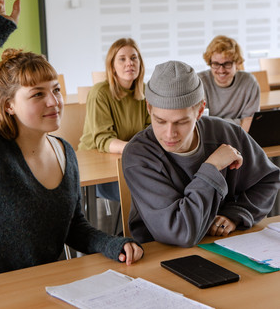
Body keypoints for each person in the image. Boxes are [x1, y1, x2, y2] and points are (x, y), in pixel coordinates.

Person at [0, 0, 143, 284]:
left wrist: (111, 243)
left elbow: (73, 227)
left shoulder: (65, 151)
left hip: (40, 284)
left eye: (55, 90)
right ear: (9, 105)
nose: (54, 102)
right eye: (37, 94)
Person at [122, 60, 280, 247]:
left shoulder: (227, 133)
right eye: (160, 121)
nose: (169, 133)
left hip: (224, 244)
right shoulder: (138, 155)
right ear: (149, 108)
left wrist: (235, 214)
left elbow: (268, 179)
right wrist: (211, 168)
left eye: (181, 122)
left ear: (199, 111)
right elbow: (180, 233)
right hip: (160, 253)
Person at [78, 38, 150, 202]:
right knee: (141, 195)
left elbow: (149, 131)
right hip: (96, 163)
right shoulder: (100, 93)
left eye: (133, 58)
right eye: (122, 59)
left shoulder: (144, 91)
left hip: (127, 159)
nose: (129, 63)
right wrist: (136, 149)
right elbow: (103, 140)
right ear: (112, 66)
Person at [198, 35, 260, 132]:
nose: (221, 70)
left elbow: (249, 120)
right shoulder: (199, 82)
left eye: (227, 64)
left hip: (239, 136)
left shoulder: (249, 82)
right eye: (216, 64)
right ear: (210, 63)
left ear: (237, 63)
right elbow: (201, 122)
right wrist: (238, 122)